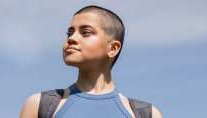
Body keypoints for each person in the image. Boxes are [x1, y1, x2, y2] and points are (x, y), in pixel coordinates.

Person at [20, 5, 162, 118]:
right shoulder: (39, 106)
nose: (71, 38)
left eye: (86, 32)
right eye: (70, 33)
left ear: (113, 48)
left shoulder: (147, 114)